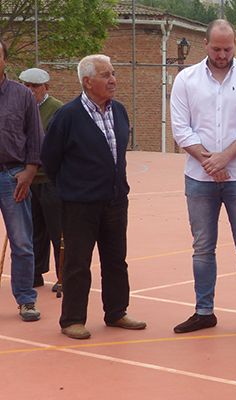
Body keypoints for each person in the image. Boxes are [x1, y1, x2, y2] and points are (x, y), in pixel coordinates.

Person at [171, 19, 236, 337]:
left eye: (227, 49)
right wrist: (209, 161)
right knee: (202, 247)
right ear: (205, 45)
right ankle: (204, 311)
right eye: (216, 49)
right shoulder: (186, 80)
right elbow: (181, 128)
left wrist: (225, 157)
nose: (222, 55)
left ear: (235, 45)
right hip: (199, 178)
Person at [42, 54, 146, 339]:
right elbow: (50, 159)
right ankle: (72, 319)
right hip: (79, 204)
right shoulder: (67, 116)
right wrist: (72, 189)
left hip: (115, 201)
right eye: (105, 75)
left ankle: (116, 312)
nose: (113, 80)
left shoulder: (119, 111)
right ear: (87, 82)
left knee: (116, 260)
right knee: (77, 263)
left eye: (113, 73)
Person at [0, 40, 42, 322]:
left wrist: (29, 171)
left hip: (12, 176)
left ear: (5, 60)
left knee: (22, 242)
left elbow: (36, 136)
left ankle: (26, 299)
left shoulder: (22, 95)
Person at [19, 67, 64, 292]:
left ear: (46, 87)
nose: (30, 90)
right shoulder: (21, 107)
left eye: (35, 86)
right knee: (33, 230)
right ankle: (35, 273)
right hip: (28, 179)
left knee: (58, 230)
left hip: (50, 179)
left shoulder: (57, 109)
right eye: (26, 85)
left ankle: (64, 276)